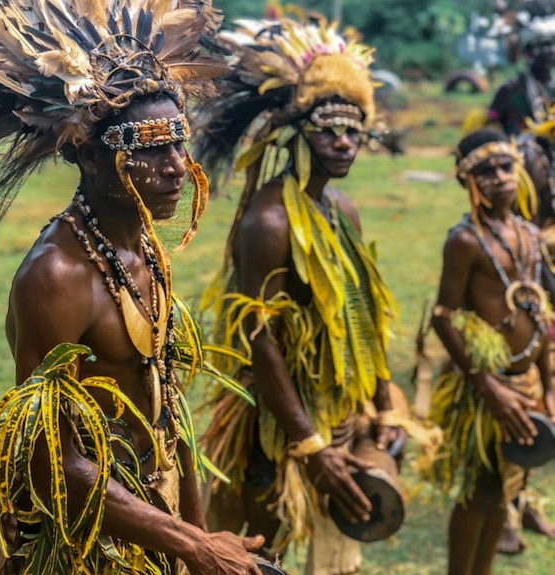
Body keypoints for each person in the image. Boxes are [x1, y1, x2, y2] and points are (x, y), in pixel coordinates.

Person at [0, 1, 267, 574]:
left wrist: (196, 532)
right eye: (147, 146)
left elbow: (166, 404)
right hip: (79, 538)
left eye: (178, 143)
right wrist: (191, 544)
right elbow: (50, 464)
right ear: (89, 155)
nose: (175, 167)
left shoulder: (139, 242)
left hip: (152, 518)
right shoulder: (56, 276)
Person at [193, 17, 401, 575]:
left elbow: (363, 314)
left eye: (355, 131)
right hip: (276, 422)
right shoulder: (269, 218)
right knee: (270, 546)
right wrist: (307, 444)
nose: (343, 141)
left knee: (332, 548)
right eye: (328, 128)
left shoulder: (344, 210)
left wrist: (383, 400)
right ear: (294, 133)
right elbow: (256, 338)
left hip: (336, 410)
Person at [427, 128, 555, 575]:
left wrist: (549, 387)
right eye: (485, 172)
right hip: (487, 390)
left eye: (505, 167)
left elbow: (539, 313)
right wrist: (486, 386)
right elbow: (442, 318)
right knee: (480, 490)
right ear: (469, 182)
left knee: (504, 491)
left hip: (527, 384)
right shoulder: (464, 241)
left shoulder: (530, 234)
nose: (499, 178)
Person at [488, 14, 555, 136]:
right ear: (528, 53)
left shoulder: (552, 87)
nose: (551, 50)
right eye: (544, 45)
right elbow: (491, 122)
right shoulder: (511, 88)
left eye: (552, 44)